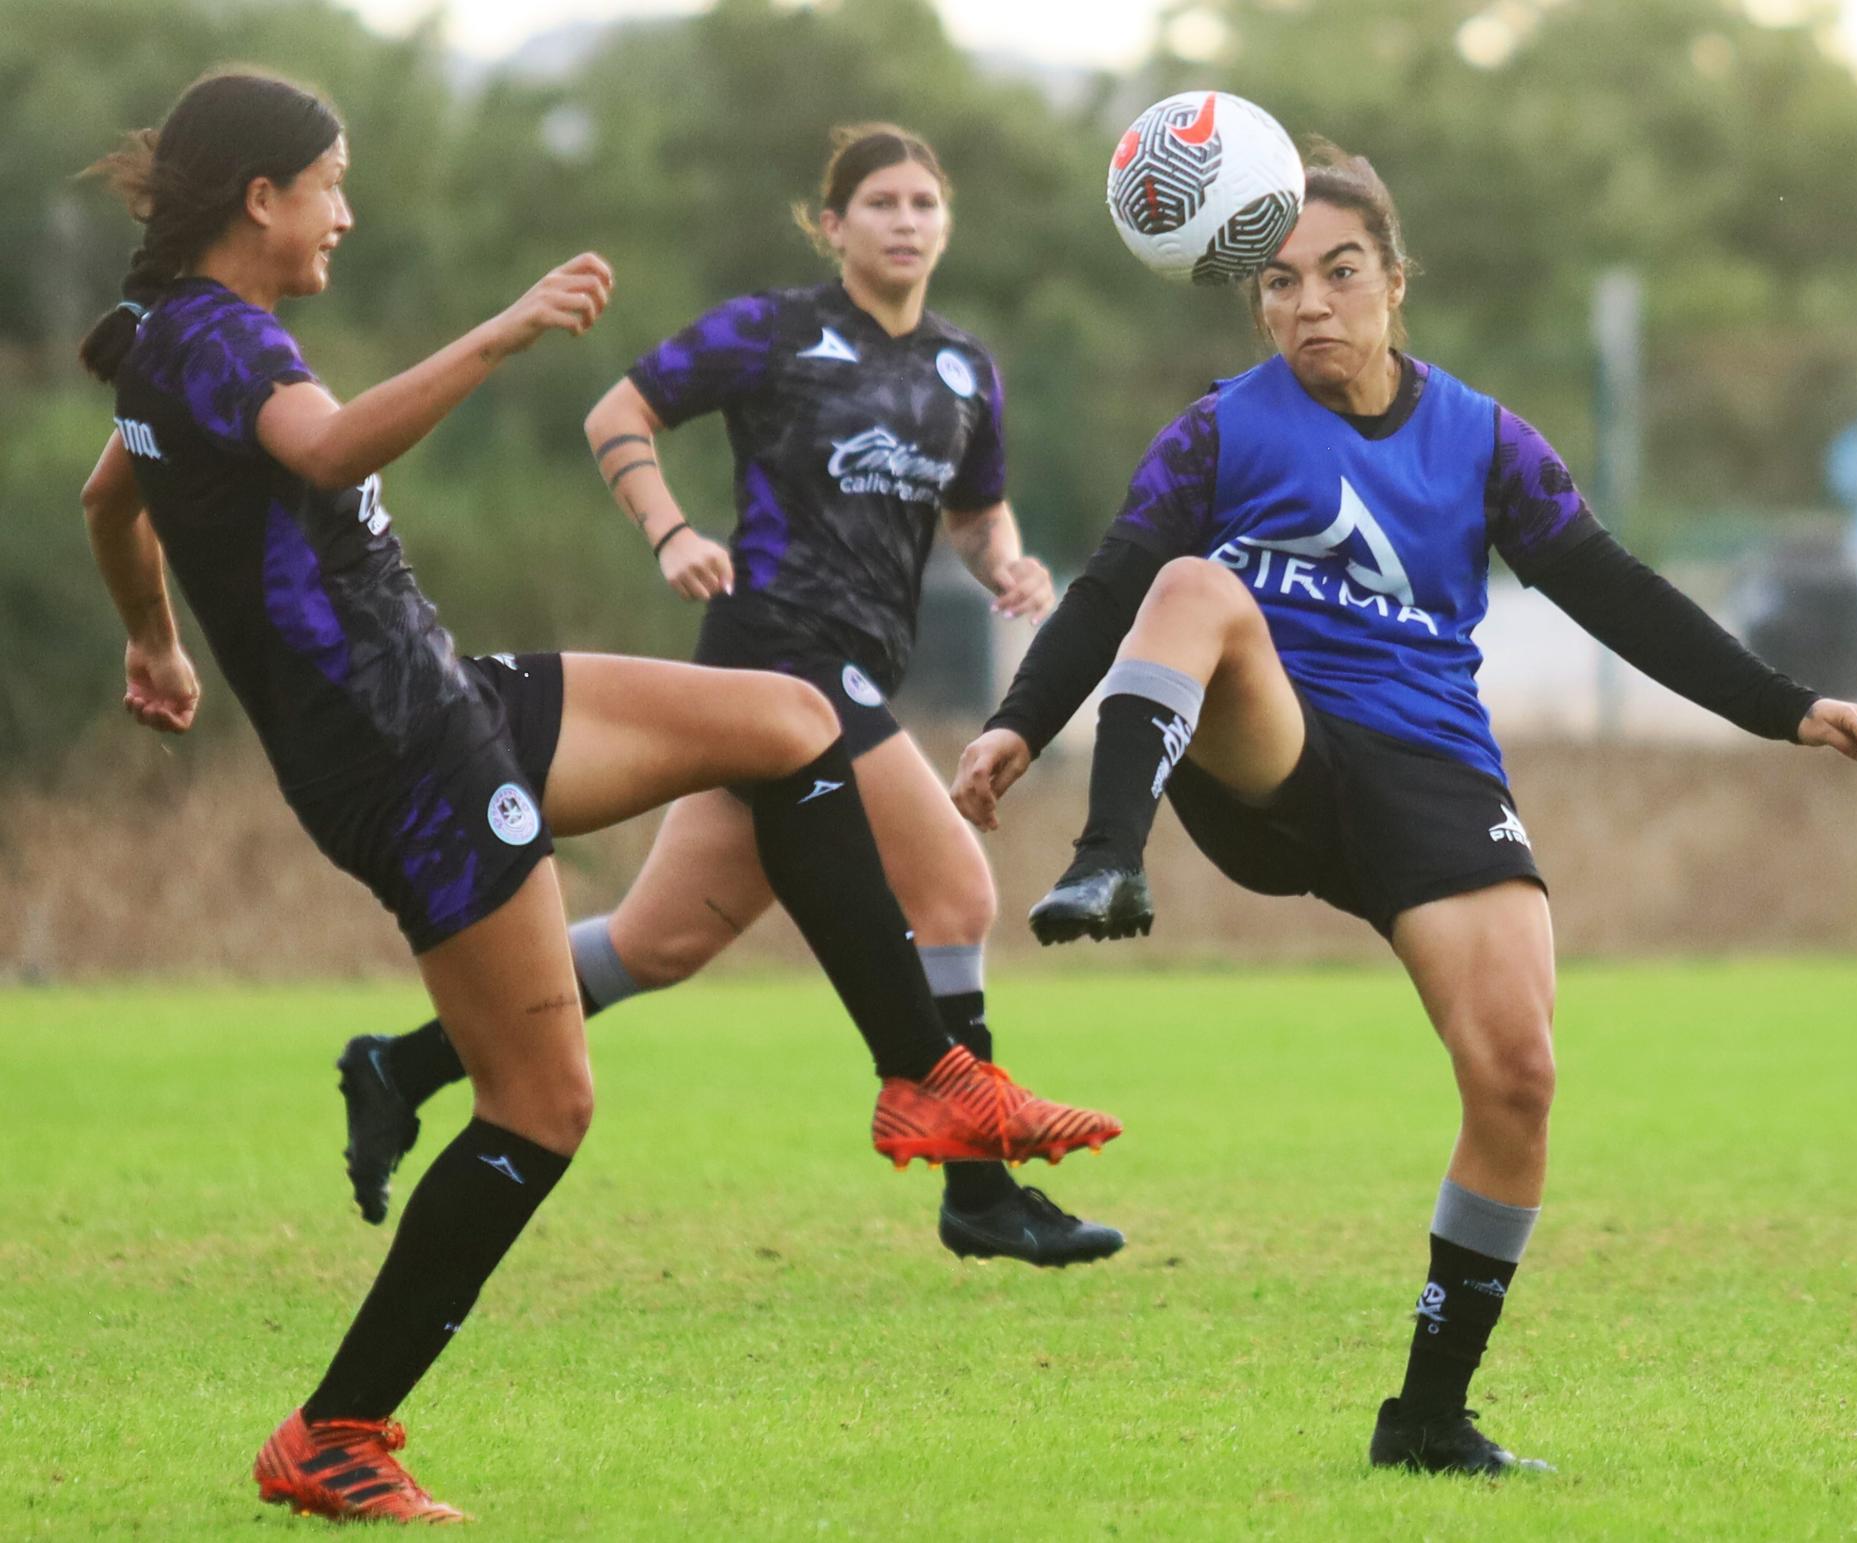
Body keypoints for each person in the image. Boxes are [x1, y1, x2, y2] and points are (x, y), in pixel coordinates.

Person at [78, 74, 1117, 1523]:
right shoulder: (220, 337)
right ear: (260, 197)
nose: (346, 212)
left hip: (440, 694)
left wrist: (153, 634)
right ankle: (334, 1430)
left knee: (789, 717)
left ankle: (928, 1078)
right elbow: (320, 448)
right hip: (399, 751)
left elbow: (109, 498)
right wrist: (502, 331)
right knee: (543, 1103)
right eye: (331, 184)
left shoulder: (175, 350)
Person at [951, 145, 1857, 1475]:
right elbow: (1109, 589)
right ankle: (1110, 854)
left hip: (1430, 767)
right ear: (1258, 304)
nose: (1311, 304)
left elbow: (1611, 586)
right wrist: (1013, 727)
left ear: (1396, 283)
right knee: (1194, 590)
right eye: (1281, 283)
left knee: (1518, 1073)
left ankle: (1429, 1414)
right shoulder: (1223, 426)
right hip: (1266, 752)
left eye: (1341, 273)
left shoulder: (1483, 437)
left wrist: (1785, 704)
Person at [339, 124, 1124, 1268]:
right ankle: (979, 1188)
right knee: (950, 888)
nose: (906, 220)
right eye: (881, 203)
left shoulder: (963, 369)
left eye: (924, 203)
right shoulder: (774, 330)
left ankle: (397, 1067)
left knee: (659, 944)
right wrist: (667, 531)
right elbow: (616, 411)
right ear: (833, 224)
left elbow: (974, 508)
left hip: (847, 671)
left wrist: (1001, 560)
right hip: (778, 652)